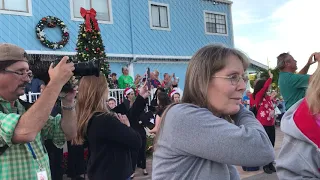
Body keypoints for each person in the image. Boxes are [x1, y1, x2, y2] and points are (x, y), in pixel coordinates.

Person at [152, 44, 275, 180]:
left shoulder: (212, 121)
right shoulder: (183, 117)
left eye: (243, 78)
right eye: (233, 77)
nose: (242, 86)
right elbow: (262, 149)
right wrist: (241, 111)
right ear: (203, 81)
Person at [0, 43, 77, 179]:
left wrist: (68, 101)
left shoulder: (24, 108)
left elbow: (67, 133)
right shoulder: (27, 118)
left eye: (28, 73)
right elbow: (25, 131)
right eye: (20, 72)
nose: (27, 79)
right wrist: (56, 82)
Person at [73, 74, 150, 180]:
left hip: (100, 172)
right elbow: (136, 141)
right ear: (100, 91)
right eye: (106, 86)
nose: (108, 89)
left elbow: (127, 117)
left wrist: (140, 97)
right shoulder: (104, 119)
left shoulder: (90, 116)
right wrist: (127, 127)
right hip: (113, 173)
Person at [276, 64, 320, 179]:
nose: (296, 62)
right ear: (287, 64)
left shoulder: (286, 78)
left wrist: (309, 64)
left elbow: (307, 77)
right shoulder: (291, 78)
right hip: (305, 118)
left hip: (302, 112)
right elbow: (314, 79)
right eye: (293, 60)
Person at [252, 71, 277, 174]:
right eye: (266, 86)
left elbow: (271, 104)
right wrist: (270, 78)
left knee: (271, 144)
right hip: (263, 124)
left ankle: (270, 163)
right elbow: (264, 88)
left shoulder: (266, 97)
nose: (268, 87)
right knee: (265, 145)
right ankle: (266, 165)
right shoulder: (258, 96)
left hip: (271, 124)